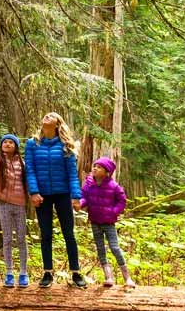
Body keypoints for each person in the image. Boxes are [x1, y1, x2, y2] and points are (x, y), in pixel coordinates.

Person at [25, 112, 85, 288]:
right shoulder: (32, 144)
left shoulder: (65, 145)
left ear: (58, 123)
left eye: (52, 116)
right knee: (46, 234)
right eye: (45, 115)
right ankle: (47, 273)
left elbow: (72, 174)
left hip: (63, 193)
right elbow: (30, 170)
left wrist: (76, 197)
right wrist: (34, 192)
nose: (47, 116)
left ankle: (75, 273)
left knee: (69, 234)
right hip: (42, 195)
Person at [0, 118, 29, 288]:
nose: (7, 144)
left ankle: (23, 273)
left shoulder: (23, 163)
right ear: (1, 146)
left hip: (20, 206)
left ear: (16, 146)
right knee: (7, 239)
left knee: (22, 239)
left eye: (11, 142)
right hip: (4, 206)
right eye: (5, 142)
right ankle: (9, 272)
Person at [80, 157, 136, 288]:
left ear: (107, 172)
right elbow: (84, 198)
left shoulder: (114, 186)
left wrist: (113, 212)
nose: (95, 168)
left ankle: (127, 277)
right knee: (100, 249)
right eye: (95, 166)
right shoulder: (89, 185)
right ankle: (108, 277)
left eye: (99, 167)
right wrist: (79, 204)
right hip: (95, 221)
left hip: (109, 222)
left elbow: (122, 201)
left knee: (115, 247)